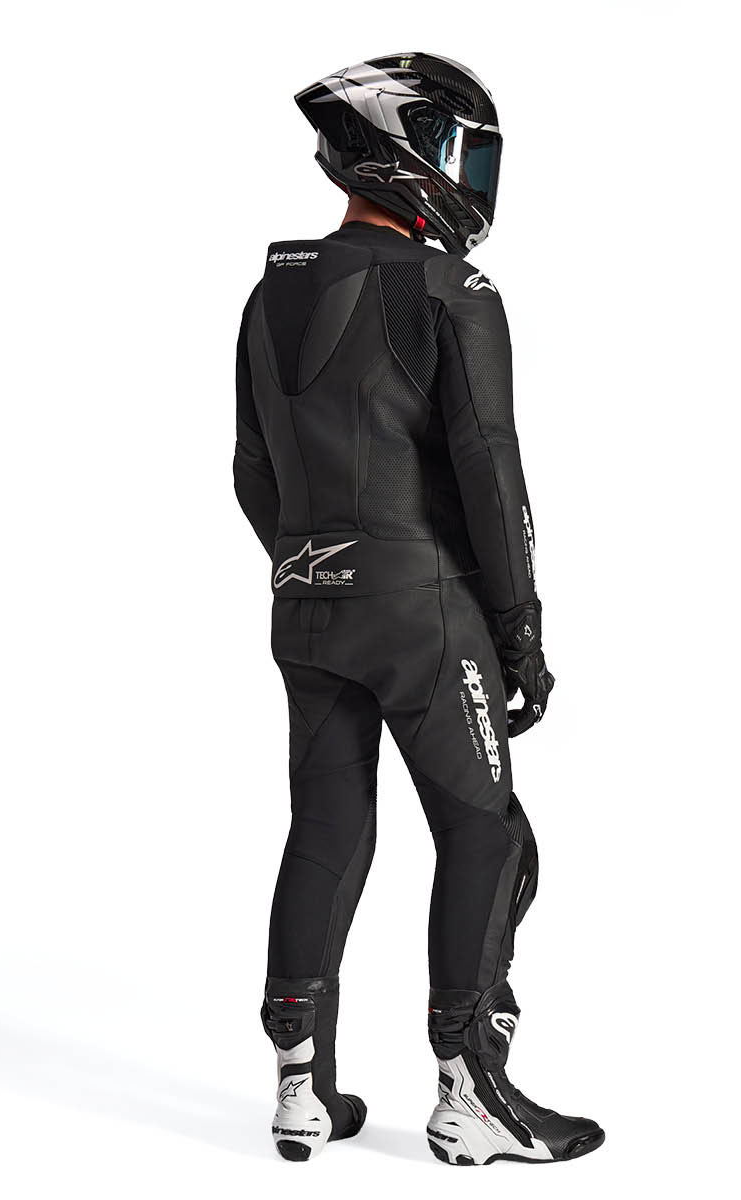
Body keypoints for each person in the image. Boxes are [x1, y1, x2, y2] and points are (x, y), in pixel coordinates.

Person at [234, 53, 604, 1166]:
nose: (471, 180)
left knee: (327, 830)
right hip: (425, 609)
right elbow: (491, 470)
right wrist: (522, 632)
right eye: (461, 153)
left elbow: (252, 469)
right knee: (486, 834)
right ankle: (471, 1094)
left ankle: (300, 1088)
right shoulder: (451, 290)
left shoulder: (268, 292)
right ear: (410, 152)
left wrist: (317, 563)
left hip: (306, 602)